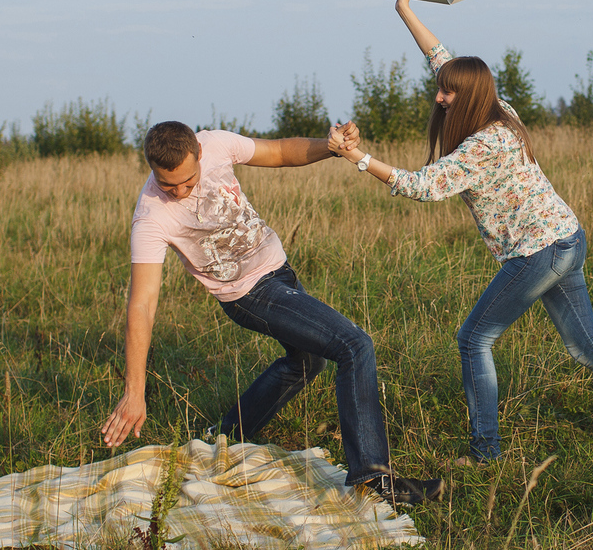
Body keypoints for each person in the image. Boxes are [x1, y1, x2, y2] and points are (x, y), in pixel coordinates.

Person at [327, 0, 593, 469]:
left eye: (447, 93)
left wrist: (358, 158)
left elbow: (422, 186)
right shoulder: (502, 113)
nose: (439, 97)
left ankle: (485, 455)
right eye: (441, 88)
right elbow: (442, 59)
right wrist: (404, 9)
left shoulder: (483, 144)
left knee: (473, 339)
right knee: (587, 347)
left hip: (539, 251)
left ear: (467, 96)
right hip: (564, 239)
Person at [101, 121, 443, 504]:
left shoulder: (216, 144)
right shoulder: (151, 216)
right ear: (152, 169)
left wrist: (330, 148)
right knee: (353, 344)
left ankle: (227, 434)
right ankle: (375, 480)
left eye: (188, 180)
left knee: (306, 361)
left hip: (279, 271)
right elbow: (142, 303)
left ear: (198, 152)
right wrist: (135, 391)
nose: (180, 191)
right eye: (169, 185)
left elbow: (280, 152)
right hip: (249, 295)